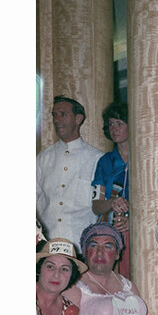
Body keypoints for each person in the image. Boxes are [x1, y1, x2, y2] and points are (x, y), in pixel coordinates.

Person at [36, 96, 100, 245]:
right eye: (54, 115)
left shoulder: (97, 158)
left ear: (78, 119)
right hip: (46, 246)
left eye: (63, 114)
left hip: (81, 245)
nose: (57, 120)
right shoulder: (43, 158)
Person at [91, 101, 131, 276]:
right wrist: (112, 202)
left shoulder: (146, 158)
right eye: (111, 124)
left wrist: (134, 222)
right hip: (109, 231)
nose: (114, 128)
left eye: (120, 123)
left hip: (138, 234)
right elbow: (96, 206)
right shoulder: (105, 162)